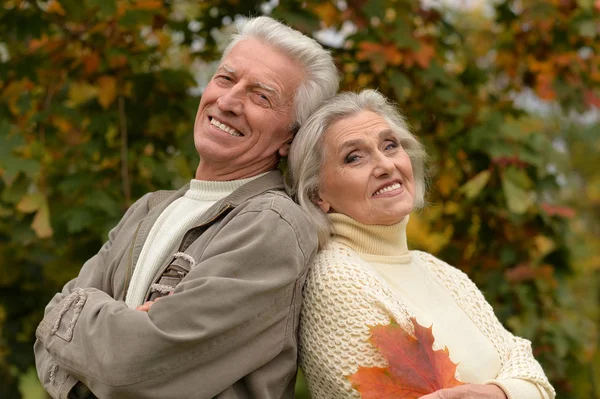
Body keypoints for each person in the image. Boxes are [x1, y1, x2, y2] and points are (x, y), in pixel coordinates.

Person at [34, 16, 338, 399]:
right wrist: (107, 340)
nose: (228, 102)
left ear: (289, 138)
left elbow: (132, 366)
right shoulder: (148, 209)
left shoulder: (272, 227)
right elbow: (45, 345)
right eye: (225, 79)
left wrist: (79, 321)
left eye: (262, 96)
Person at [286, 89, 555, 399]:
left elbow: (530, 368)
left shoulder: (440, 272)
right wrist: (514, 389)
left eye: (390, 145)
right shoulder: (337, 280)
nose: (386, 165)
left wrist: (499, 393)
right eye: (354, 157)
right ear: (318, 194)